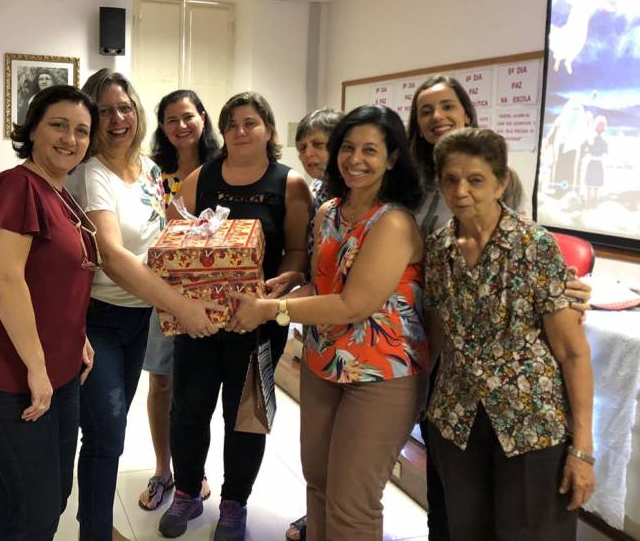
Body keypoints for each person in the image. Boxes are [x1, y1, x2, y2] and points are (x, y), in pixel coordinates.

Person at [229, 104, 430, 541]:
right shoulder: (329, 212)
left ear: (393, 158)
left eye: (370, 150)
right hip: (323, 363)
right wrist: (277, 294)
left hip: (381, 375)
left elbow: (353, 305)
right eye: (347, 148)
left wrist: (272, 311)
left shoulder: (394, 222)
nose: (355, 159)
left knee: (352, 503)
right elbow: (323, 287)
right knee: (318, 483)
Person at [406, 73, 592, 541]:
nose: (461, 192)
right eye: (451, 181)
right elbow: (438, 332)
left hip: (529, 421)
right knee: (461, 528)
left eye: (476, 180)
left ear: (501, 182)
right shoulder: (439, 249)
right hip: (457, 418)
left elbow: (572, 352)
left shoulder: (534, 245)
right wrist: (421, 401)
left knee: (530, 531)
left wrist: (583, 448)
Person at [68, 70, 219, 541]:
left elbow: (167, 230)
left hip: (141, 317)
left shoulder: (150, 168)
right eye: (104, 111)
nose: (117, 119)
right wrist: (181, 305)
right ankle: (95, 530)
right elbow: (112, 257)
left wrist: (209, 237)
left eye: (124, 108)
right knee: (107, 433)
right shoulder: (90, 174)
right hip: (99, 319)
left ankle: (93, 525)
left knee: (109, 430)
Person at [160, 91, 312, 541]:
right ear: (222, 132)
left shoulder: (289, 184)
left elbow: (298, 250)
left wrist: (279, 284)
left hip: (257, 323)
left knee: (245, 416)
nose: (240, 132)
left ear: (268, 129)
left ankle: (234, 503)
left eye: (250, 123)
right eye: (232, 125)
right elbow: (174, 236)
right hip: (199, 321)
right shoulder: (201, 176)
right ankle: (187, 492)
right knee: (188, 411)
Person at [0, 85, 100, 539]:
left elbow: (56, 278)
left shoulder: (60, 193)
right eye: (58, 125)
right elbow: (4, 279)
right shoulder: (17, 186)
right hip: (9, 376)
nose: (70, 139)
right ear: (32, 129)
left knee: (51, 495)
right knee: (37, 510)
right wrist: (36, 367)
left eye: (81, 131)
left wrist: (77, 336)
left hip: (59, 370)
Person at [139, 89, 221, 512]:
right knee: (162, 381)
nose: (181, 126)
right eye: (171, 119)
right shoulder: (152, 172)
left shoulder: (222, 169)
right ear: (162, 126)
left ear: (203, 117)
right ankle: (163, 469)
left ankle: (193, 469)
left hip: (208, 291)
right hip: (160, 288)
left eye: (188, 116)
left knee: (197, 388)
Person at [287, 107, 343, 541]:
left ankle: (340, 521)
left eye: (320, 144)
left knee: (350, 448)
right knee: (318, 445)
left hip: (359, 341)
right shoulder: (319, 194)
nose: (310, 154)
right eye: (303, 146)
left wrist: (277, 309)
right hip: (318, 330)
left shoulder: (369, 202)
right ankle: (318, 517)